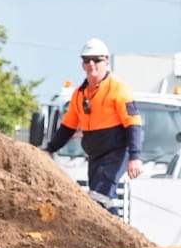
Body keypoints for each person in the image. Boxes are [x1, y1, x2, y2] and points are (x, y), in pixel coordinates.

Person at [46, 39, 143, 209]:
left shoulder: (119, 89)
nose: (92, 64)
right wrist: (49, 149)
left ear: (106, 61)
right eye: (87, 60)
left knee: (100, 196)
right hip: (95, 155)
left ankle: (112, 225)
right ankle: (113, 223)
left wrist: (135, 157)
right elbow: (68, 127)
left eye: (97, 60)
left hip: (116, 153)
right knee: (98, 201)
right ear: (82, 64)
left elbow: (133, 123)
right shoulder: (79, 94)